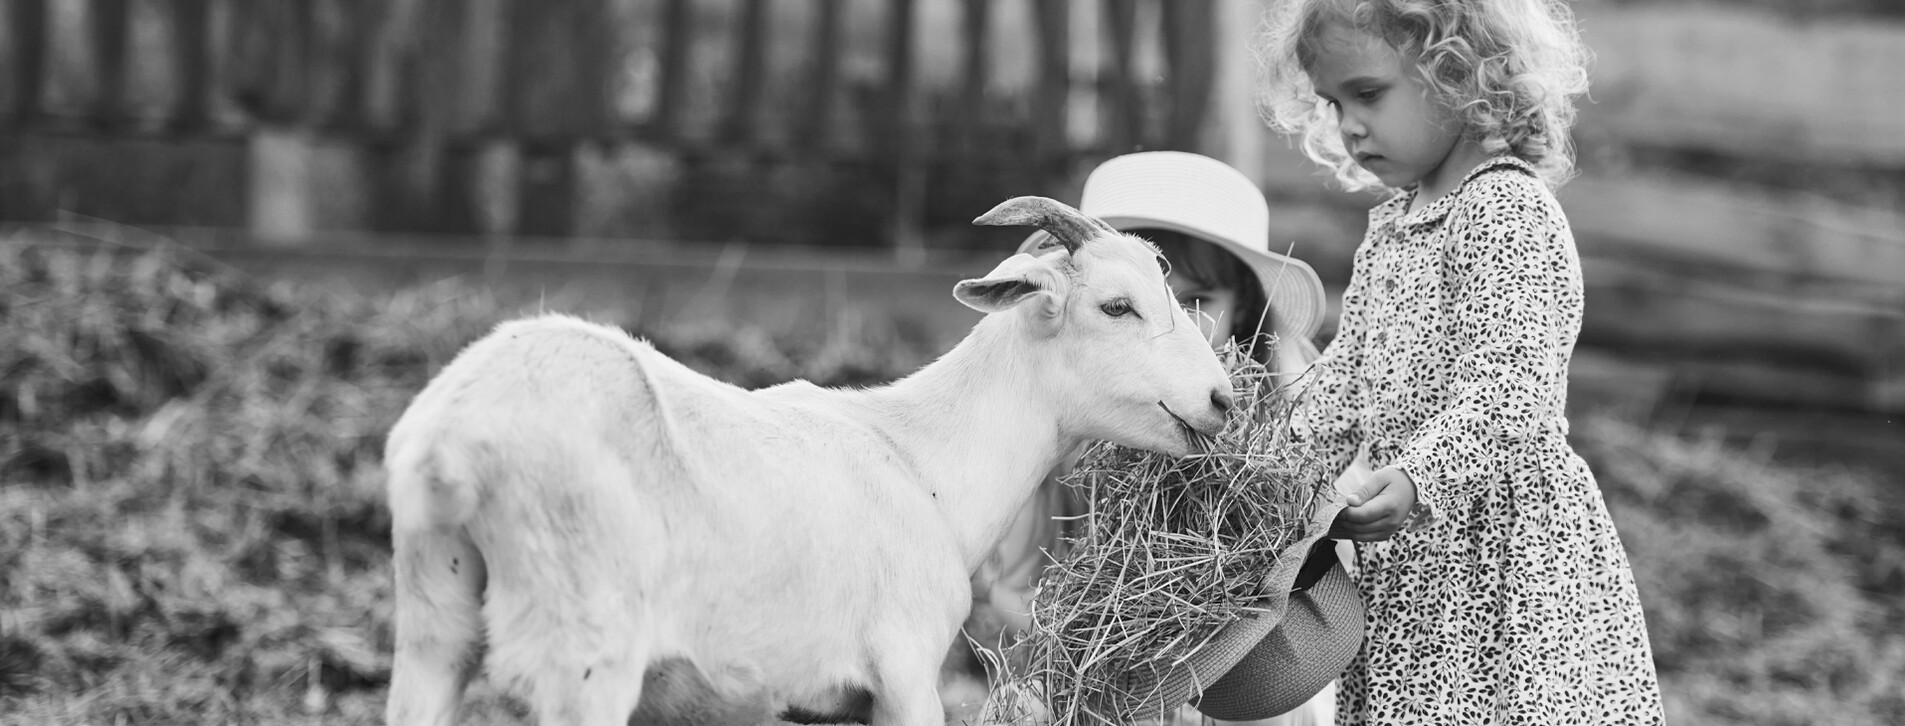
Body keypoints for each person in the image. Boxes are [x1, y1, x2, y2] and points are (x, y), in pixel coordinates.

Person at [1254, 0, 1665, 723]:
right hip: (1416, 567)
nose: (1348, 125)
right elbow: (1349, 378)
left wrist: (1420, 475)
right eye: (1331, 102)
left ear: (1454, 70)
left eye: (1368, 94)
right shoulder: (1391, 229)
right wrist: (1263, 467)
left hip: (1500, 557)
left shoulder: (1501, 209)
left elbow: (1514, 384)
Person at [954, 150, 1361, 726]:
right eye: (1125, 306)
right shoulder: (1056, 445)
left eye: (1194, 302)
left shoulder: (1283, 453)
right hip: (1094, 697)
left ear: (1243, 311)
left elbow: (1309, 618)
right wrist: (1103, 637)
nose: (1173, 327)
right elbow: (1015, 591)